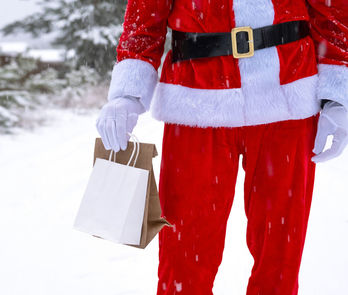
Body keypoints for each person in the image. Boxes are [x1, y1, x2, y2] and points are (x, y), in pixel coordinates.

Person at [95, 0, 347, 294]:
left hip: (287, 97)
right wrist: (127, 94)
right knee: (184, 259)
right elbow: (144, 18)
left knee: (280, 259)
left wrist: (338, 95)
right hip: (195, 104)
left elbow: (334, 14)